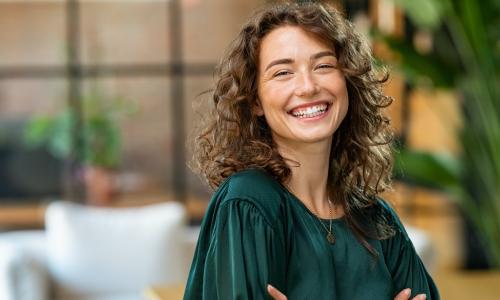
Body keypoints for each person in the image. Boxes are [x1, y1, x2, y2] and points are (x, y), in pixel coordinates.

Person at [184, 1, 439, 299]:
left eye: (323, 66)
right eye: (282, 73)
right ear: (255, 101)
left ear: (348, 81)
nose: (307, 86)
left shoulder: (376, 219)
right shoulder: (248, 204)